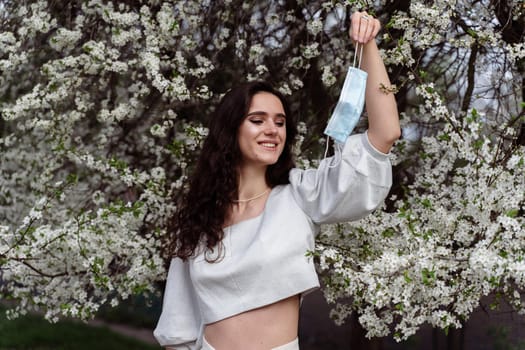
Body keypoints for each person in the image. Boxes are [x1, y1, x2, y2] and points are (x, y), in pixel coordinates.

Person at [154, 11, 400, 350]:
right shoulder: (199, 219)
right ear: (231, 130)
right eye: (258, 120)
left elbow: (385, 134)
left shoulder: (299, 194)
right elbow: (177, 327)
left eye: (280, 122)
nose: (272, 129)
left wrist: (368, 44)